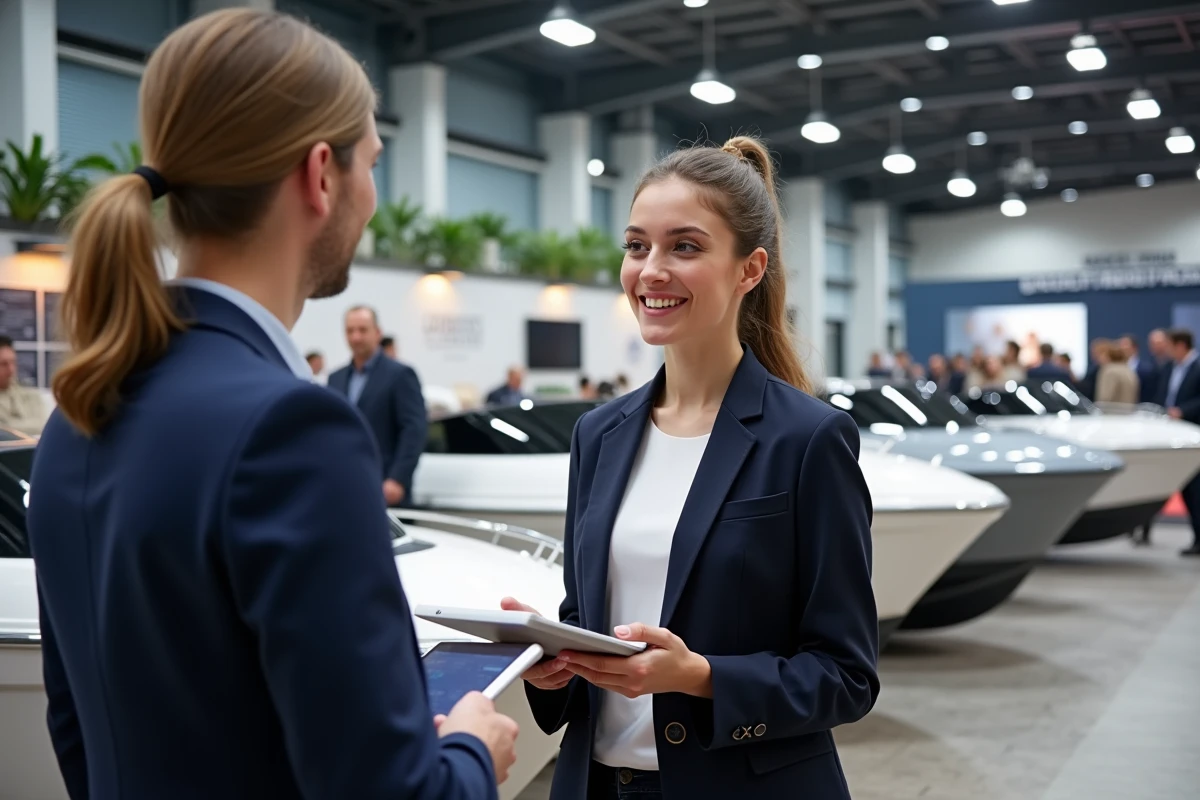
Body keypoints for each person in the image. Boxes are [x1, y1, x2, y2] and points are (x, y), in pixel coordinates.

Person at [26, 10, 516, 799]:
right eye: (372, 164)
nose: (373, 199)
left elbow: (77, 728)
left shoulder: (78, 415)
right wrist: (471, 752)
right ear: (321, 174)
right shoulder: (291, 430)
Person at [502, 136, 878, 799]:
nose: (651, 271)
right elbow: (586, 620)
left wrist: (700, 677)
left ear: (749, 270)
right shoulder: (599, 435)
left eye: (685, 247)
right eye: (636, 245)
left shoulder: (808, 439)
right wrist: (550, 661)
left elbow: (846, 676)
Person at [328, 306, 428, 507]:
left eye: (362, 330)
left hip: (385, 486)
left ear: (377, 332)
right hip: (344, 485)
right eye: (350, 331)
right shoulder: (336, 379)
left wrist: (398, 478)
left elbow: (414, 430)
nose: (356, 337)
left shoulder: (400, 375)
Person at [1159, 328, 1200, 556]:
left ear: (1181, 345)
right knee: (1187, 488)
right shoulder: (1169, 368)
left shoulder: (1197, 367)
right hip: (1175, 436)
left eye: (1170, 345)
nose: (1167, 350)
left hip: (1195, 434)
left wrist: (1183, 411)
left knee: (1197, 489)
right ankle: (1197, 537)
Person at [0, 336, 47, 434]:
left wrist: (8, 425)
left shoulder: (31, 395)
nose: (11, 370)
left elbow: (43, 425)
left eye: (13, 362)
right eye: (3, 364)